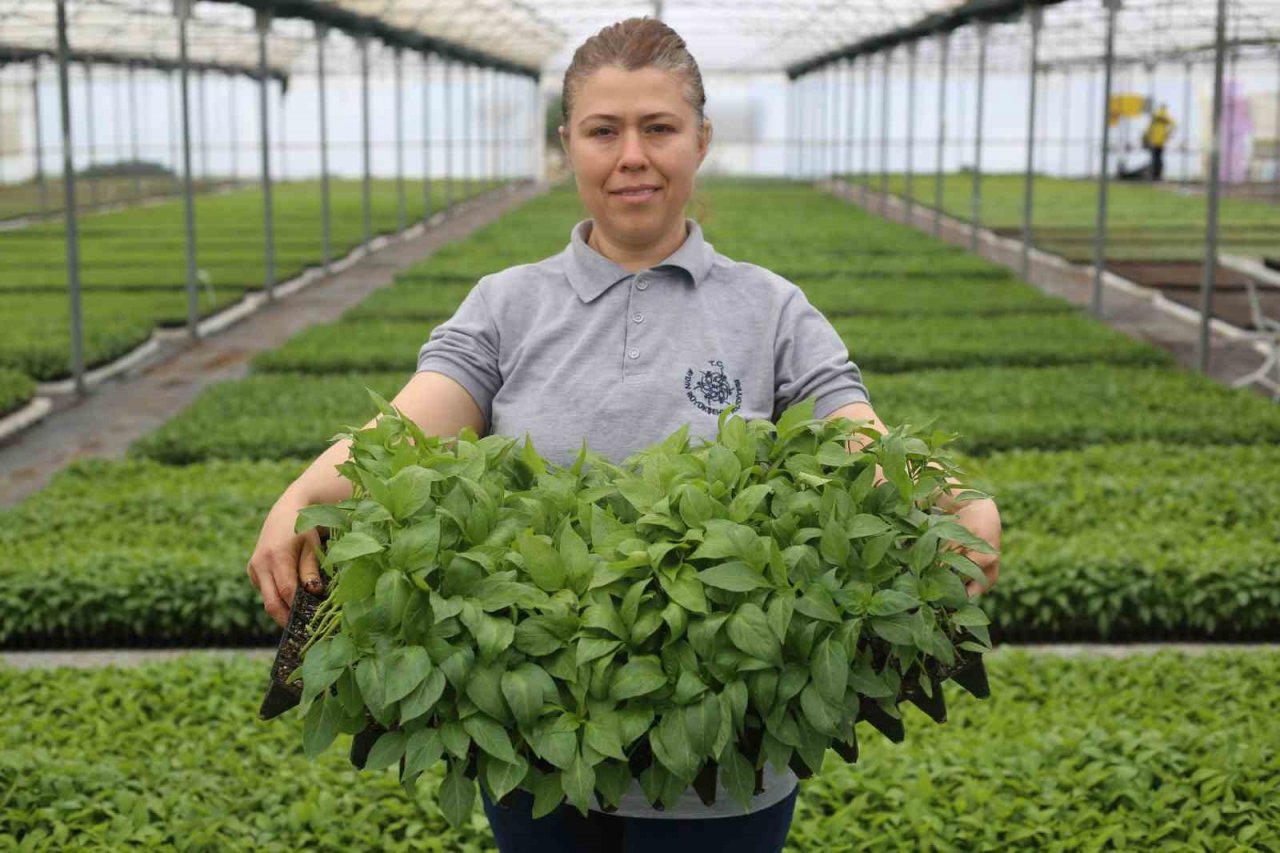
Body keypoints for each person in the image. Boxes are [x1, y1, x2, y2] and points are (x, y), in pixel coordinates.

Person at [247, 16, 1002, 853]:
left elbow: (857, 429)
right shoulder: (508, 304)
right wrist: (303, 491)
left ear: (700, 141)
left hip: (726, 765)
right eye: (604, 131)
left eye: (659, 128)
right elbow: (407, 425)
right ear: (569, 142)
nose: (631, 156)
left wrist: (952, 498)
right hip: (535, 745)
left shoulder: (770, 308)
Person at [1142, 103, 1175, 181]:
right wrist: (1167, 134)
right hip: (1161, 141)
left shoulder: (1155, 116)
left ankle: (1153, 175)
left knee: (1154, 158)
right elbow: (1174, 125)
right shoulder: (1166, 117)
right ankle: (1158, 175)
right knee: (1159, 159)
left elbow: (1149, 128)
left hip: (1153, 141)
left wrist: (1145, 138)